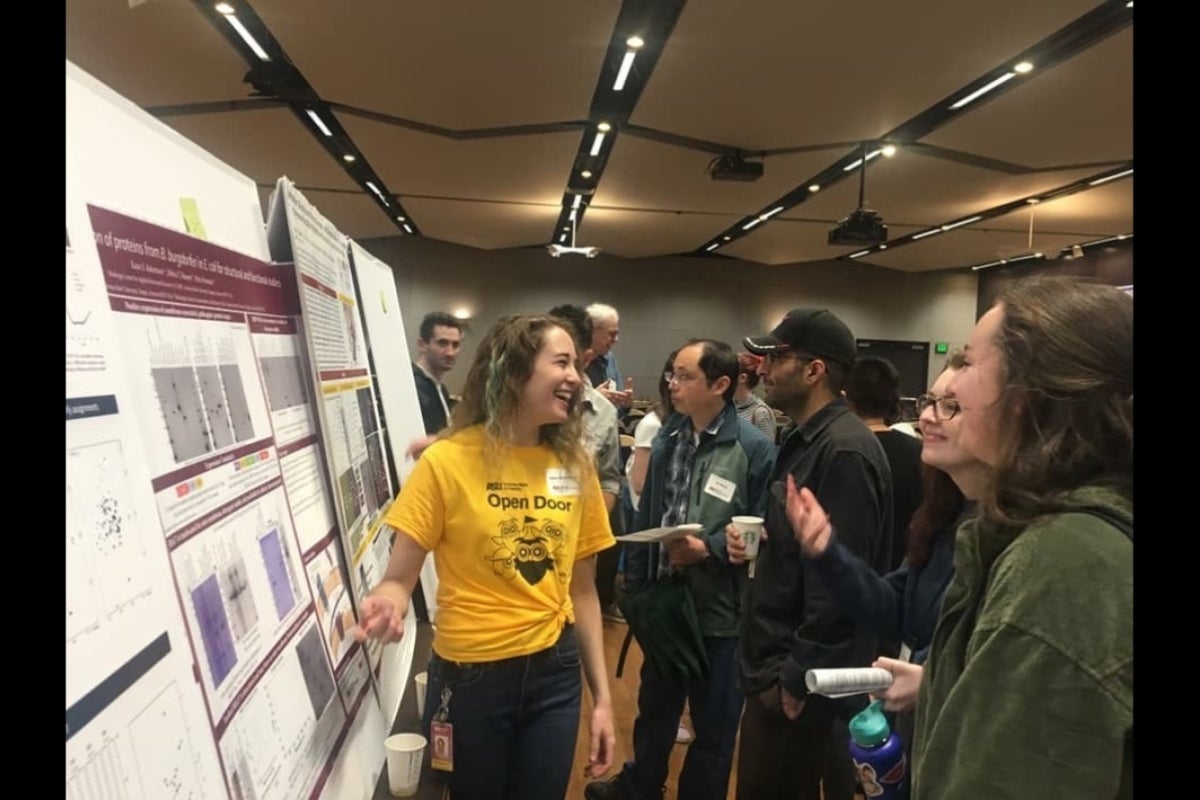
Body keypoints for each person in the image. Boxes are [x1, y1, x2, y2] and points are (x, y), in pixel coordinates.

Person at [353, 313, 617, 800]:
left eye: (575, 365)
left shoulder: (575, 465)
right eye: (561, 362)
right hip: (471, 680)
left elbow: (583, 591)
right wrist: (388, 601)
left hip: (555, 676)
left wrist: (602, 699)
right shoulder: (447, 461)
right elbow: (399, 577)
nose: (576, 377)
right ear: (513, 369)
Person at [901, 277, 1132, 798]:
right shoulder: (1052, 537)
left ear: (1026, 396)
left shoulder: (1064, 564)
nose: (948, 385)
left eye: (966, 361)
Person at [781, 352, 987, 779]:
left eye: (950, 406)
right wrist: (826, 550)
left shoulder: (1018, 537)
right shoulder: (948, 515)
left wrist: (932, 681)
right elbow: (892, 606)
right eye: (929, 401)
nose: (928, 416)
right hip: (927, 739)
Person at [587, 339, 775, 800]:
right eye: (673, 374)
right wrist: (633, 587)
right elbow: (648, 515)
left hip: (720, 613)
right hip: (665, 603)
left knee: (713, 726)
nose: (672, 383)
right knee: (655, 709)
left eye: (685, 376)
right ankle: (640, 787)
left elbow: (762, 536)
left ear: (721, 384)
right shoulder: (671, 435)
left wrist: (708, 547)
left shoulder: (753, 448)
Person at [729, 307, 893, 800]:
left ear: (813, 370)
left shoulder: (843, 451)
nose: (763, 369)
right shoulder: (805, 439)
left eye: (776, 357)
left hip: (803, 681)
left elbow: (841, 581)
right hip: (778, 668)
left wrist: (797, 678)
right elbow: (801, 552)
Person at [548, 304, 625, 619]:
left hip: (579, 548)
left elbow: (609, 478)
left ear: (587, 358)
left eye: (570, 361)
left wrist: (589, 526)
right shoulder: (519, 406)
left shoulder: (603, 413)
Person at [844, 355, 924, 575]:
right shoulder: (920, 453)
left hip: (853, 580)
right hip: (906, 578)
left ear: (847, 399)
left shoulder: (844, 454)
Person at [411, 311, 464, 435]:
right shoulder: (412, 387)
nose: (450, 353)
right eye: (442, 343)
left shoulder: (440, 388)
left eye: (455, 345)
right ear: (422, 345)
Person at [586, 302, 634, 410]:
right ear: (592, 331)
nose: (616, 340)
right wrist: (594, 398)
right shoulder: (573, 361)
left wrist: (625, 404)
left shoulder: (610, 358)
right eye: (612, 334)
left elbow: (616, 411)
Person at [733, 352, 777, 440]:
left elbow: (767, 451)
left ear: (742, 378)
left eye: (729, 373)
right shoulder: (729, 407)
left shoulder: (760, 412)